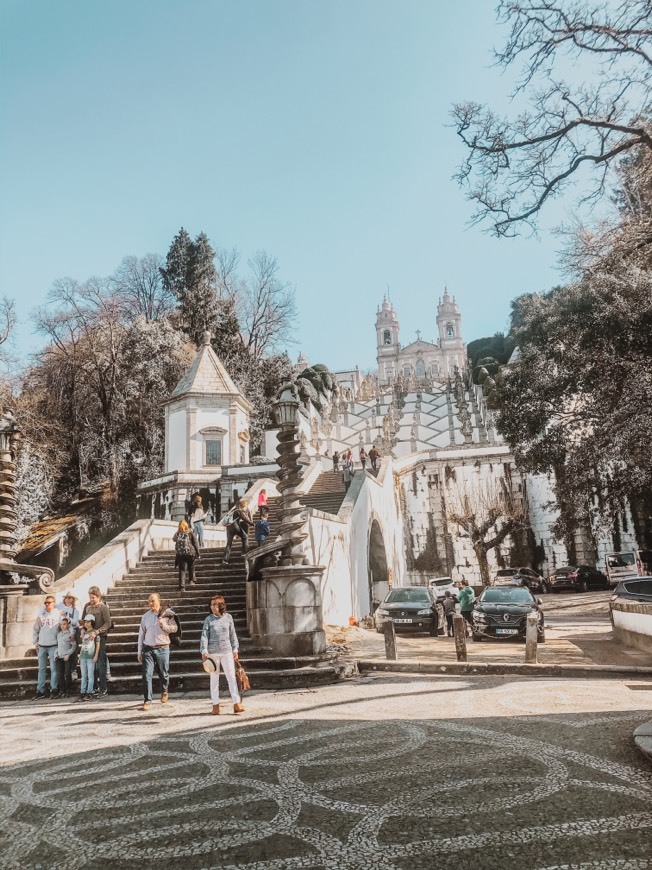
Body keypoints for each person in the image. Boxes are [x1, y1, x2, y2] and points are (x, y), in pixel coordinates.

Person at [200, 595, 244, 715]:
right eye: (211, 604)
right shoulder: (208, 620)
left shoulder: (228, 618)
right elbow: (204, 636)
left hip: (227, 652)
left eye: (215, 604)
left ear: (221, 605)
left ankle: (236, 703)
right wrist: (204, 650)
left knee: (231, 677)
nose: (212, 606)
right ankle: (215, 705)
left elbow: (232, 634)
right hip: (213, 653)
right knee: (214, 679)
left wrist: (235, 649)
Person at [137, 592, 178, 711]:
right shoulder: (145, 616)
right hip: (148, 648)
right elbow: (141, 634)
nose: (150, 604)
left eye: (153, 601)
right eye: (149, 601)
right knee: (146, 675)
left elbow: (175, 628)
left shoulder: (167, 614)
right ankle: (147, 700)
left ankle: (164, 691)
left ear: (159, 601)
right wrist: (139, 651)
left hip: (163, 647)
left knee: (163, 673)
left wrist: (163, 626)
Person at [81, 587, 112, 696]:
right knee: (90, 664)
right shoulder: (88, 608)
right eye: (90, 597)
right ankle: (93, 688)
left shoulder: (104, 608)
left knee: (101, 663)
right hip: (89, 640)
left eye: (93, 597)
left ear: (98, 597)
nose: (91, 599)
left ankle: (103, 689)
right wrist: (82, 629)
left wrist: (97, 632)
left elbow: (108, 623)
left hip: (100, 637)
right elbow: (84, 622)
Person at [33, 595, 62, 699]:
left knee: (54, 668)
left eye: (49, 602)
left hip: (53, 645)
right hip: (42, 645)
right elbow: (36, 629)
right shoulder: (41, 615)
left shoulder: (58, 614)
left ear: (53, 603)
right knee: (41, 669)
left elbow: (62, 628)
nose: (47, 604)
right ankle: (40, 690)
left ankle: (53, 689)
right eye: (45, 603)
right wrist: (35, 642)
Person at [223, 499, 253, 564]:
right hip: (235, 526)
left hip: (228, 528)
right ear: (241, 506)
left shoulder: (232, 511)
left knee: (229, 543)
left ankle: (225, 560)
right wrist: (251, 523)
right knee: (245, 537)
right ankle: (245, 553)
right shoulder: (238, 511)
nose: (244, 508)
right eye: (244, 506)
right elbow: (244, 518)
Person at [173, 519, 200, 590]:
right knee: (191, 566)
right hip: (190, 553)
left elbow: (173, 539)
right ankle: (191, 580)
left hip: (181, 554)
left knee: (182, 570)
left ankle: (182, 586)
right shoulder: (190, 532)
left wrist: (178, 531)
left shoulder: (178, 534)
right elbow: (195, 543)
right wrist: (198, 553)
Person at [55, 616, 77, 697]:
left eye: (64, 624)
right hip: (59, 657)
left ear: (68, 625)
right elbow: (58, 646)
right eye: (61, 624)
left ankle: (68, 690)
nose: (62, 626)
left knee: (67, 674)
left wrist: (68, 654)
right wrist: (56, 654)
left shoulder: (70, 635)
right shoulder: (58, 635)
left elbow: (74, 646)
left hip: (66, 657)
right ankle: (62, 690)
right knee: (60, 674)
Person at [78, 614, 100, 700]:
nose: (86, 624)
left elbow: (98, 644)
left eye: (88, 622)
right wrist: (80, 655)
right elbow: (83, 645)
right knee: (84, 675)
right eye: (85, 622)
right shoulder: (84, 633)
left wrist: (96, 655)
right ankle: (82, 691)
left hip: (91, 656)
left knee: (90, 675)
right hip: (83, 656)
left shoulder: (94, 633)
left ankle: (89, 691)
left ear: (92, 622)